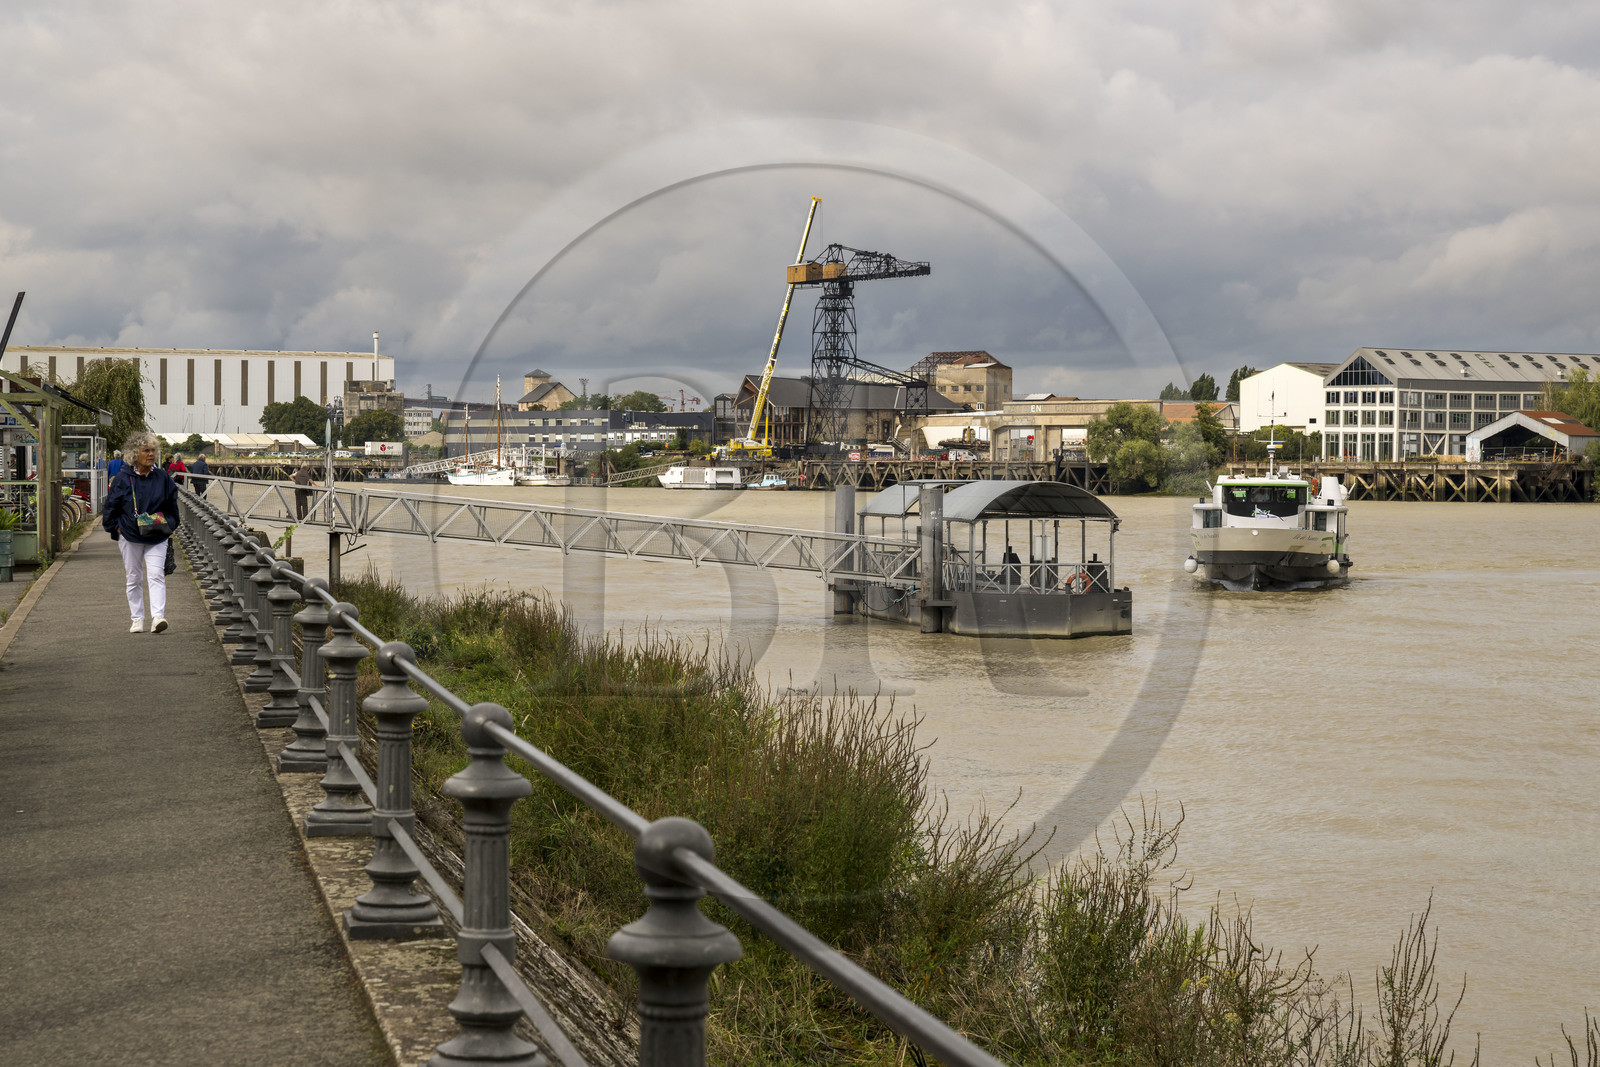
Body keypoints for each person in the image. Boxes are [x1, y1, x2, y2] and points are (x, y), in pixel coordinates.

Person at [102, 432, 182, 634]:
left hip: (157, 535)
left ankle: (158, 617)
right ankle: (137, 618)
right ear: (133, 454)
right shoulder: (122, 478)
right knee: (134, 577)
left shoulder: (162, 477)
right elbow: (110, 507)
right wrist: (116, 528)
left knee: (156, 575)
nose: (151, 454)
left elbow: (173, 506)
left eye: (153, 450)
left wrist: (169, 524)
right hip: (130, 536)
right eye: (146, 450)